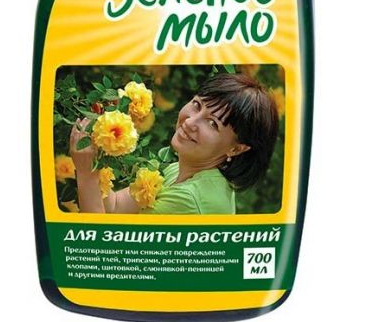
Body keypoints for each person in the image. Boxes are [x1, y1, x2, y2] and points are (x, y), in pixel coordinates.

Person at [69, 72, 279, 215]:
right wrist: (102, 149)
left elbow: (107, 252)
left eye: (212, 123)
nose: (190, 122)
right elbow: (115, 207)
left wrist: (86, 173)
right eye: (197, 105)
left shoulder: (189, 200)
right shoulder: (182, 169)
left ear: (236, 148)